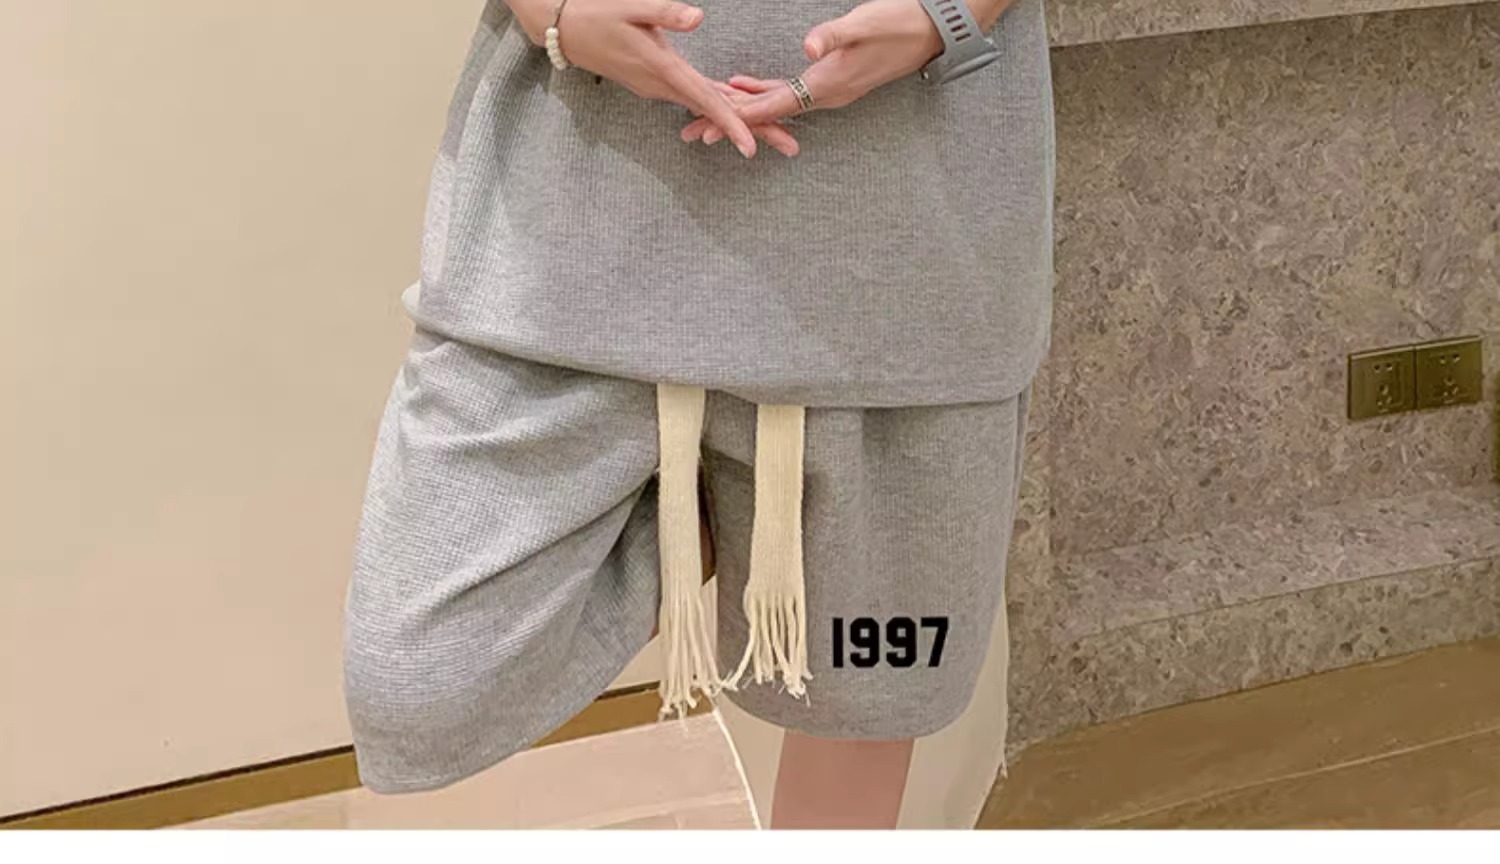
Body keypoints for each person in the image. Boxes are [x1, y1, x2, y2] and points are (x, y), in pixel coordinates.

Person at [342, 0, 1053, 829]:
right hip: (574, 219)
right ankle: (710, 511)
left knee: (865, 702)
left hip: (905, 258)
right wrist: (553, 12)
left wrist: (951, 16)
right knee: (417, 675)